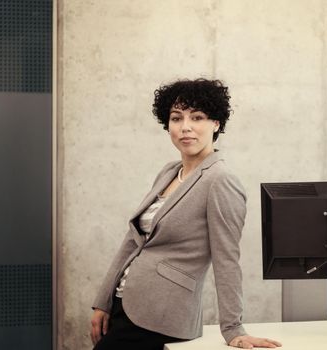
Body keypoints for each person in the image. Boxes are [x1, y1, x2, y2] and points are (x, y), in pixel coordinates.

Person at [90, 78, 281, 350]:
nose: (185, 127)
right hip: (124, 304)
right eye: (176, 118)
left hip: (162, 314)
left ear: (216, 124)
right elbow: (132, 241)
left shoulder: (220, 180)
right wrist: (104, 301)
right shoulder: (168, 172)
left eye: (198, 117)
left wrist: (233, 328)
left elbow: (227, 258)